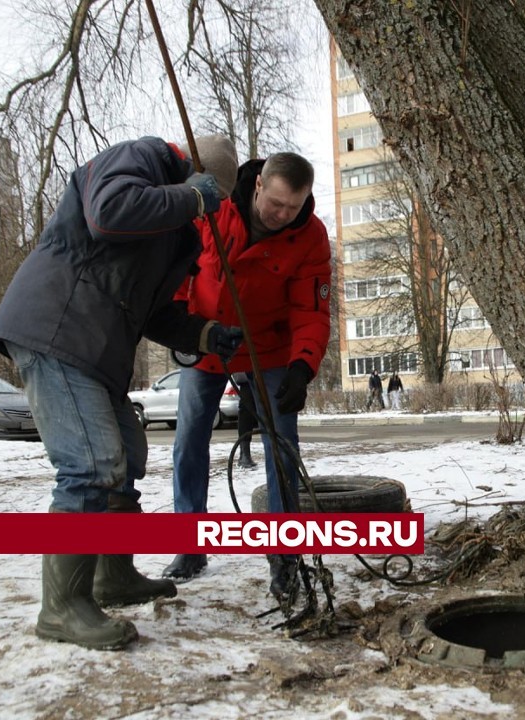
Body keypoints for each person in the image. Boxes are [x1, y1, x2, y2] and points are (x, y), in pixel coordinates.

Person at [0, 134, 244, 651]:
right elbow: (108, 211)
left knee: (124, 457)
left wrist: (204, 334)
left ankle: (112, 576)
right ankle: (60, 609)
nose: (206, 209)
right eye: (208, 194)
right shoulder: (140, 158)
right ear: (194, 171)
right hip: (56, 328)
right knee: (90, 466)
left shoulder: (174, 229)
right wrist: (191, 196)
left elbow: (152, 310)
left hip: (96, 350)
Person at [163, 152, 331, 603]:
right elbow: (181, 267)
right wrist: (178, 320)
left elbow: (310, 311)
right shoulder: (211, 208)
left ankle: (283, 555)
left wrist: (302, 365)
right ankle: (189, 544)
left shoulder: (310, 236)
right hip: (207, 338)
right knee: (189, 441)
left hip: (270, 347)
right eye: (275, 204)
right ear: (258, 185)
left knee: (282, 445)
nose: (281, 216)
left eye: (292, 208)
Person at [234, 373, 257, 469]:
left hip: (269, 371)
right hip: (247, 376)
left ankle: (283, 456)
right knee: (246, 411)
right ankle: (244, 453)